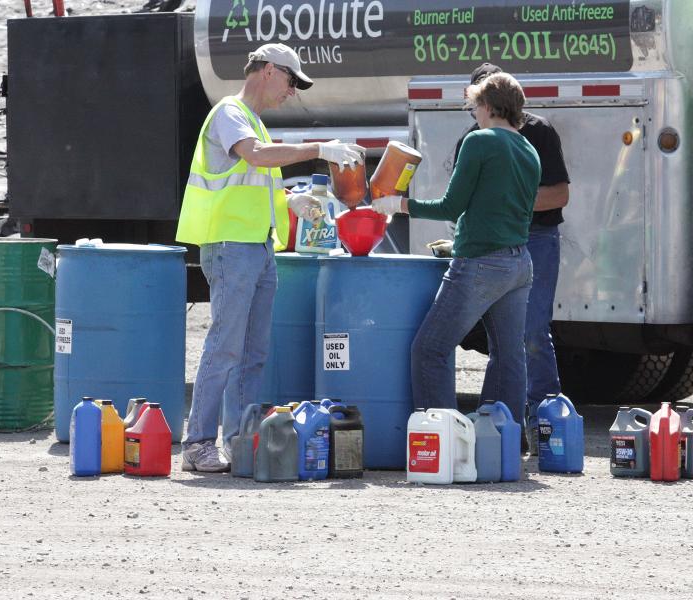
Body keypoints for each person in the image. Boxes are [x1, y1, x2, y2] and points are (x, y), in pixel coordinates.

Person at [175, 43, 364, 472]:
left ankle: (240, 442)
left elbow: (253, 180)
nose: (293, 91)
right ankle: (198, 443)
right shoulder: (230, 113)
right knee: (225, 348)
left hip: (257, 247)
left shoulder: (253, 123)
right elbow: (255, 159)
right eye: (291, 80)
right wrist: (319, 148)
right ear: (266, 71)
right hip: (231, 247)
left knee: (252, 353)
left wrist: (291, 200)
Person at [372, 72, 539, 426]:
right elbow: (501, 207)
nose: (474, 113)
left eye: (475, 106)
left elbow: (451, 206)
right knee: (509, 356)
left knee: (429, 349)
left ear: (490, 107)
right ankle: (507, 439)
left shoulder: (480, 141)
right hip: (519, 263)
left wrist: (399, 205)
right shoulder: (528, 149)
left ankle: (440, 440)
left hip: (480, 263)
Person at [456, 63, 571, 425]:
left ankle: (543, 416)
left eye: (481, 102)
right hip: (492, 243)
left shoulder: (538, 132)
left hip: (536, 238)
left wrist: (509, 199)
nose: (477, 111)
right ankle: (501, 417)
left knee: (532, 330)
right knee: (502, 336)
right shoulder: (471, 140)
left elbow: (560, 194)